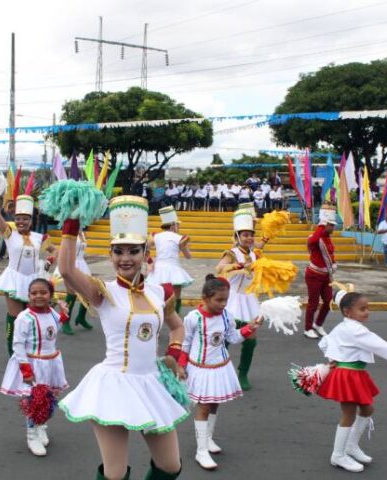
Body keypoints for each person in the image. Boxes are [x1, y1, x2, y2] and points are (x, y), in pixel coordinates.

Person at [57, 195, 187, 480]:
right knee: (115, 475)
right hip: (114, 384)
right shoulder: (102, 292)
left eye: (132, 251)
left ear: (145, 254)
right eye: (118, 251)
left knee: (171, 466)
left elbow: (177, 327)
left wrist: (175, 357)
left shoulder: (160, 292)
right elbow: (66, 269)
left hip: (152, 383)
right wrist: (71, 222)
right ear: (110, 254)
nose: (125, 258)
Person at [317, 289, 387, 473]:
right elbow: (382, 346)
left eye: (368, 308)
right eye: (362, 309)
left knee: (367, 408)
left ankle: (350, 446)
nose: (367, 312)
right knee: (349, 414)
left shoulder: (345, 326)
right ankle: (338, 455)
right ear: (347, 312)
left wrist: (333, 355)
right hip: (347, 375)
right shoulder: (355, 330)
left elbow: (325, 342)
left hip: (354, 373)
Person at [179, 274, 263, 470]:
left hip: (220, 366)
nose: (223, 304)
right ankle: (201, 451)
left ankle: (208, 439)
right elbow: (185, 343)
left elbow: (233, 338)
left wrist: (250, 328)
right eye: (219, 300)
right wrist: (181, 365)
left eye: (226, 300)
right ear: (205, 298)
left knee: (215, 404)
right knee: (204, 407)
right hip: (201, 368)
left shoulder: (227, 315)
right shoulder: (193, 318)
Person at [0, 278, 69, 457]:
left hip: (51, 361)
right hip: (34, 363)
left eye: (43, 293)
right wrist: (26, 370)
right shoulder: (25, 317)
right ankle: (31, 435)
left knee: (49, 398)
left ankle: (41, 426)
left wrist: (63, 314)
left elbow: (52, 330)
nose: (39, 296)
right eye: (34, 293)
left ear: (50, 295)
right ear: (28, 296)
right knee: (34, 400)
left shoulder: (52, 312)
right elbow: (18, 345)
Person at [0, 192, 57, 353]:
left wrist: (49, 261)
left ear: (31, 220)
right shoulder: (9, 234)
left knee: (32, 318)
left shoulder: (39, 237)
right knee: (15, 318)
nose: (21, 222)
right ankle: (12, 352)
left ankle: (30, 349)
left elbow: (55, 250)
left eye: (25, 219)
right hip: (14, 280)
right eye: (18, 218)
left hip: (34, 282)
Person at [215, 207, 268, 390]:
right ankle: (221, 372)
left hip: (250, 300)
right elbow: (219, 268)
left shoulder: (253, 253)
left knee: (251, 338)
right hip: (234, 300)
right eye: (245, 235)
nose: (249, 238)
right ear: (237, 236)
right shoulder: (231, 253)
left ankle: (243, 373)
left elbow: (258, 257)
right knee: (228, 336)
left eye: (251, 235)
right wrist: (237, 266)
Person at [148, 206, 193, 315]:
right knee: (176, 296)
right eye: (178, 224)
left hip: (158, 268)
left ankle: (156, 316)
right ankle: (175, 316)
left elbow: (146, 248)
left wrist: (150, 261)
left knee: (157, 294)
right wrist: (184, 246)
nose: (179, 227)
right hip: (174, 268)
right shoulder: (180, 238)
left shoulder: (155, 236)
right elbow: (188, 256)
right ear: (173, 225)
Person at [304, 204, 338, 339]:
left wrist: (334, 263)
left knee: (329, 301)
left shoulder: (327, 238)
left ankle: (318, 324)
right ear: (325, 225)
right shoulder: (316, 237)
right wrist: (321, 225)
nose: (334, 228)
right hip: (314, 275)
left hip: (326, 276)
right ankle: (307, 328)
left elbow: (330, 253)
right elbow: (312, 241)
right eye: (331, 225)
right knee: (313, 303)